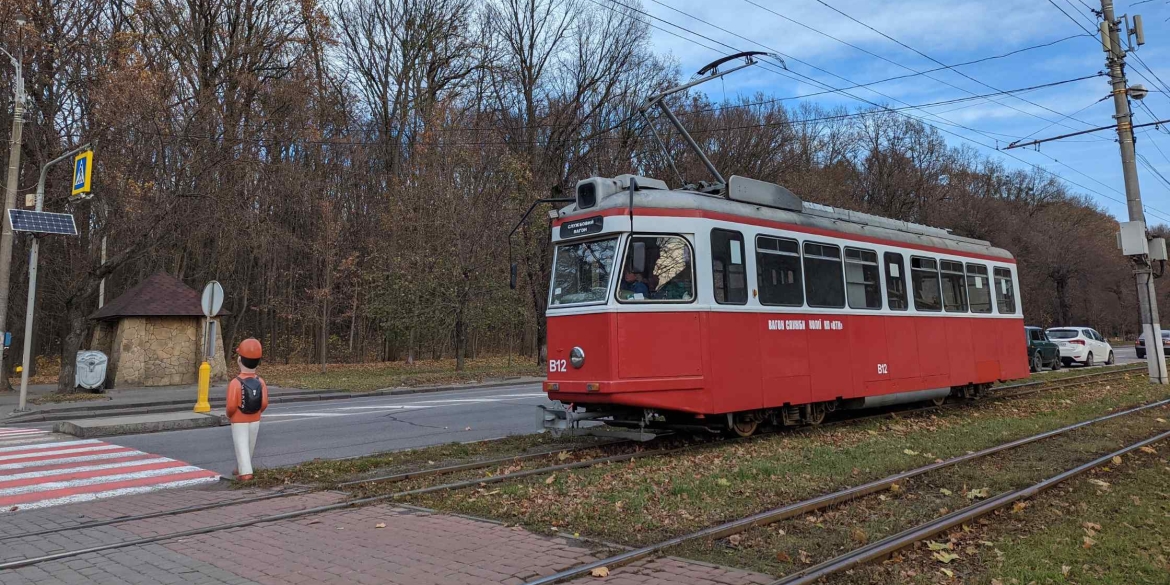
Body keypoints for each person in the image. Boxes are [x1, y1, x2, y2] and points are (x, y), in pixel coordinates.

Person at [226, 338, 268, 481]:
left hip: (239, 419)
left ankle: (245, 473)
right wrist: (257, 412)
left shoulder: (235, 383)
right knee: (249, 445)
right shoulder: (260, 382)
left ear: (240, 360)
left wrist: (229, 415)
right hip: (255, 418)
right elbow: (264, 404)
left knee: (241, 444)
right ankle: (241, 466)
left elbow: (231, 406)